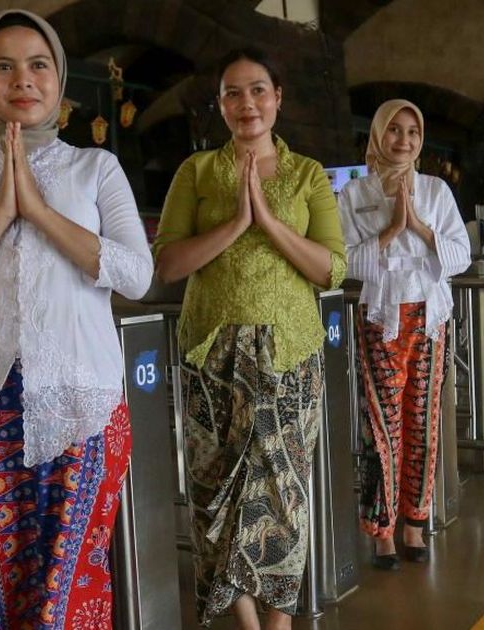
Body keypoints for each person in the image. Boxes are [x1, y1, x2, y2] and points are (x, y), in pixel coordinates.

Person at [0, 9, 153, 628]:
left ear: (59, 81)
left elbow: (137, 276)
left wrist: (39, 212)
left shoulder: (97, 169)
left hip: (82, 402)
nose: (24, 79)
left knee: (64, 596)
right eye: (4, 66)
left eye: (39, 65)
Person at [152, 47, 347, 630]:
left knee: (282, 495)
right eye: (233, 93)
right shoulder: (196, 172)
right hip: (211, 354)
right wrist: (236, 221)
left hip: (289, 355)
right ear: (219, 104)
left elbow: (331, 269)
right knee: (215, 495)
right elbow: (167, 264)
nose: (247, 104)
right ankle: (245, 622)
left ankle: (279, 625)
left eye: (258, 90)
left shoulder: (307, 174)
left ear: (278, 97)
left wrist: (267, 219)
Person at [336, 99, 470, 568]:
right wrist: (391, 231)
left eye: (413, 131)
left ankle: (415, 521)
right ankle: (382, 529)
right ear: (377, 135)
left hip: (430, 317)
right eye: (394, 130)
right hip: (381, 318)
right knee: (382, 425)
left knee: (424, 422)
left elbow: (461, 253)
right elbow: (342, 262)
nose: (404, 140)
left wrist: (420, 228)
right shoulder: (353, 195)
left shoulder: (435, 190)